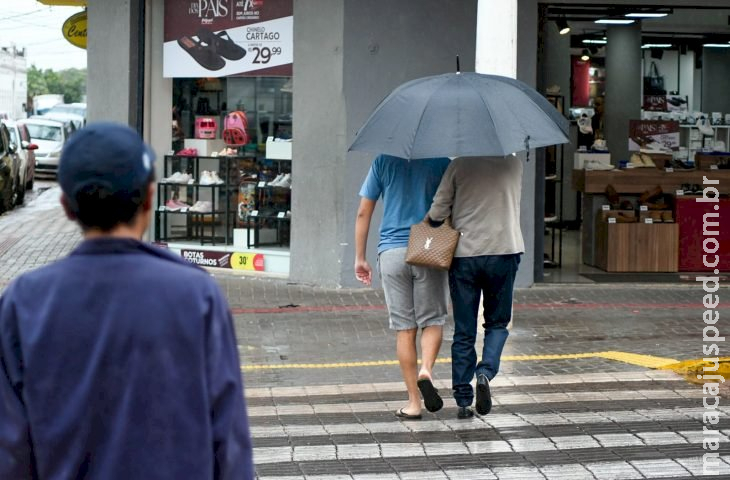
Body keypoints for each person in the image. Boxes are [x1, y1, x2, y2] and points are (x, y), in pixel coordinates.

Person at [0, 123, 254, 479]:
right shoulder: (197, 295)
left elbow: (10, 452)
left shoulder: (23, 302)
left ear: (66, 206)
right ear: (150, 198)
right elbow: (229, 444)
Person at [355, 153, 450, 419]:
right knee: (432, 320)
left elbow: (364, 211)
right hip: (428, 247)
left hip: (392, 252)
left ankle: (413, 403)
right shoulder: (441, 161)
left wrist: (360, 257)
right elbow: (453, 205)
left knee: (404, 329)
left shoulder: (383, 161)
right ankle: (426, 371)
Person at [428, 155, 523, 419]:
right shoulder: (514, 163)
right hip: (505, 250)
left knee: (464, 330)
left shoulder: (459, 165)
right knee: (497, 323)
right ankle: (485, 373)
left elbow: (437, 212)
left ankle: (462, 399)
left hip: (464, 255)